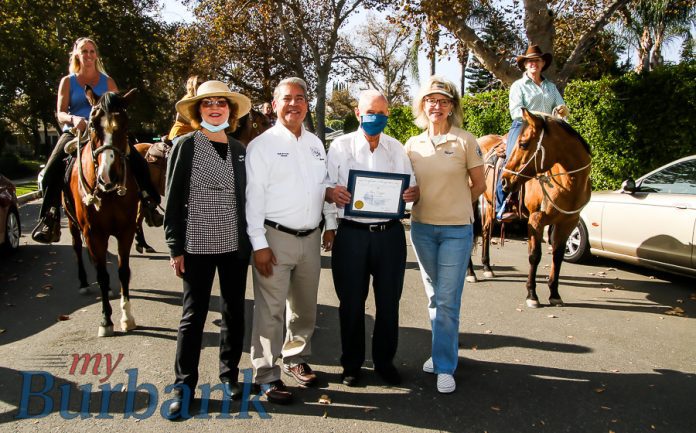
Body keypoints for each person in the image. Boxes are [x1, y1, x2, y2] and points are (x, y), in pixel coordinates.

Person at [163, 80, 252, 419]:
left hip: (234, 245)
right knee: (193, 316)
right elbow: (173, 199)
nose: (215, 108)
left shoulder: (240, 149)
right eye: (207, 103)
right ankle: (183, 387)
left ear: (231, 111)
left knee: (234, 313)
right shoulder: (185, 145)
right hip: (196, 244)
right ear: (198, 110)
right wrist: (175, 246)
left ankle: (229, 375)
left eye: (221, 103)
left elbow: (246, 197)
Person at [245, 77, 335, 404]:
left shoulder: (315, 144)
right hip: (275, 238)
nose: (294, 104)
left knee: (304, 307)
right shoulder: (262, 145)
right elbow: (253, 198)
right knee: (270, 310)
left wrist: (330, 223)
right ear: (274, 105)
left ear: (307, 105)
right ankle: (266, 374)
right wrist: (259, 244)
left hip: (310, 238)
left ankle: (295, 357)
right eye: (287, 98)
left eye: (300, 98)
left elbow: (324, 185)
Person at [324, 89, 419, 387]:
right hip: (351, 234)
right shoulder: (340, 146)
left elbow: (411, 187)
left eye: (380, 113)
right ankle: (351, 364)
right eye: (369, 112)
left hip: (389, 235)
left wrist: (412, 194)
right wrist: (331, 198)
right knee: (351, 303)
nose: (375, 118)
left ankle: (384, 362)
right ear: (357, 113)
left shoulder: (396, 148)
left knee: (389, 303)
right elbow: (326, 186)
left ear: (388, 114)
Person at [31, 37, 162, 244]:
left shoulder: (107, 81)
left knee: (138, 161)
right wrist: (74, 119)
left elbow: (119, 108)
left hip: (105, 132)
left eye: (92, 51)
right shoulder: (68, 81)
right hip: (76, 132)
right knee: (50, 170)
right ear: (76, 55)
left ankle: (148, 202)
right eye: (84, 51)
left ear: (96, 55)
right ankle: (50, 217)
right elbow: (60, 113)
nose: (88, 55)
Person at [404, 76, 485, 394]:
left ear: (452, 107)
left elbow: (479, 184)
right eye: (430, 100)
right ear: (422, 106)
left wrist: (458, 204)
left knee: (448, 299)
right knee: (434, 297)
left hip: (456, 231)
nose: (436, 106)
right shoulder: (412, 144)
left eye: (443, 101)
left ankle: (445, 365)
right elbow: (407, 185)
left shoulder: (465, 140)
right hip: (422, 229)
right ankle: (441, 353)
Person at [495, 45, 568, 221]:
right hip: (523, 126)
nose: (533, 63)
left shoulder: (551, 87)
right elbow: (516, 111)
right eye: (530, 61)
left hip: (547, 129)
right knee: (510, 160)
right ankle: (503, 205)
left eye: (537, 60)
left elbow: (560, 107)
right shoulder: (518, 85)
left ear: (543, 64)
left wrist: (562, 110)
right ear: (525, 65)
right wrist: (537, 118)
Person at [167, 75, 204, 141]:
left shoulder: (200, 100)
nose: (202, 85)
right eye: (199, 83)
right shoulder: (187, 100)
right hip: (180, 134)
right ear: (192, 86)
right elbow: (182, 118)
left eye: (203, 83)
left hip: (192, 135)